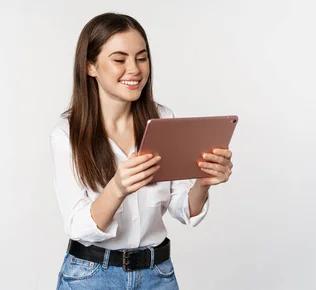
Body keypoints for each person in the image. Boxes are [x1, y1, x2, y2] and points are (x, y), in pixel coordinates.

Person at [49, 12, 234, 289]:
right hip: (91, 277)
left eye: (142, 57)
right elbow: (78, 227)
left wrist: (203, 183)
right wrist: (117, 188)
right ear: (90, 66)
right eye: (119, 59)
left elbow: (183, 208)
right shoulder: (67, 134)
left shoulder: (162, 120)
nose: (134, 69)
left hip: (156, 275)